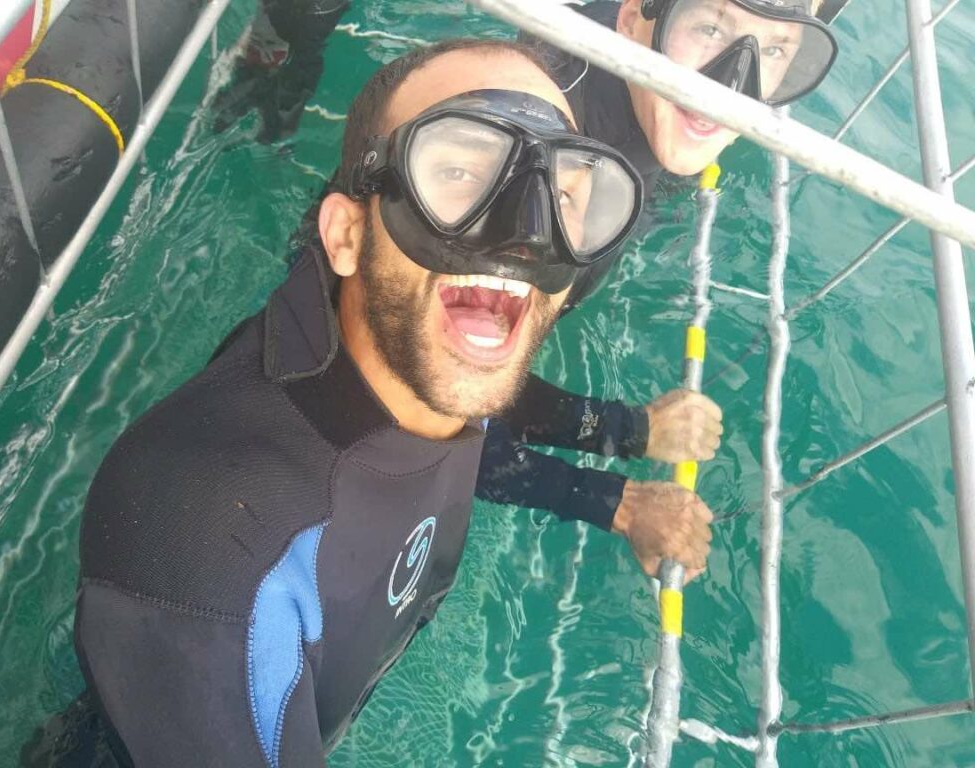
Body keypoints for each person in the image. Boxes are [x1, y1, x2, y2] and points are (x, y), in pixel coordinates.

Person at [74, 39, 716, 766]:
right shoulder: (216, 564)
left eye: (564, 196)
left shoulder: (413, 348)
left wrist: (622, 443)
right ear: (346, 233)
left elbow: (471, 407)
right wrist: (619, 490)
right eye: (459, 174)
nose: (522, 238)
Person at [209, 0, 837, 570]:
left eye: (778, 48)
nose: (731, 87)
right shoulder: (550, 190)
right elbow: (430, 386)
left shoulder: (635, 123)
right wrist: (619, 470)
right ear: (632, 20)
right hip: (335, 362)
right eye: (709, 26)